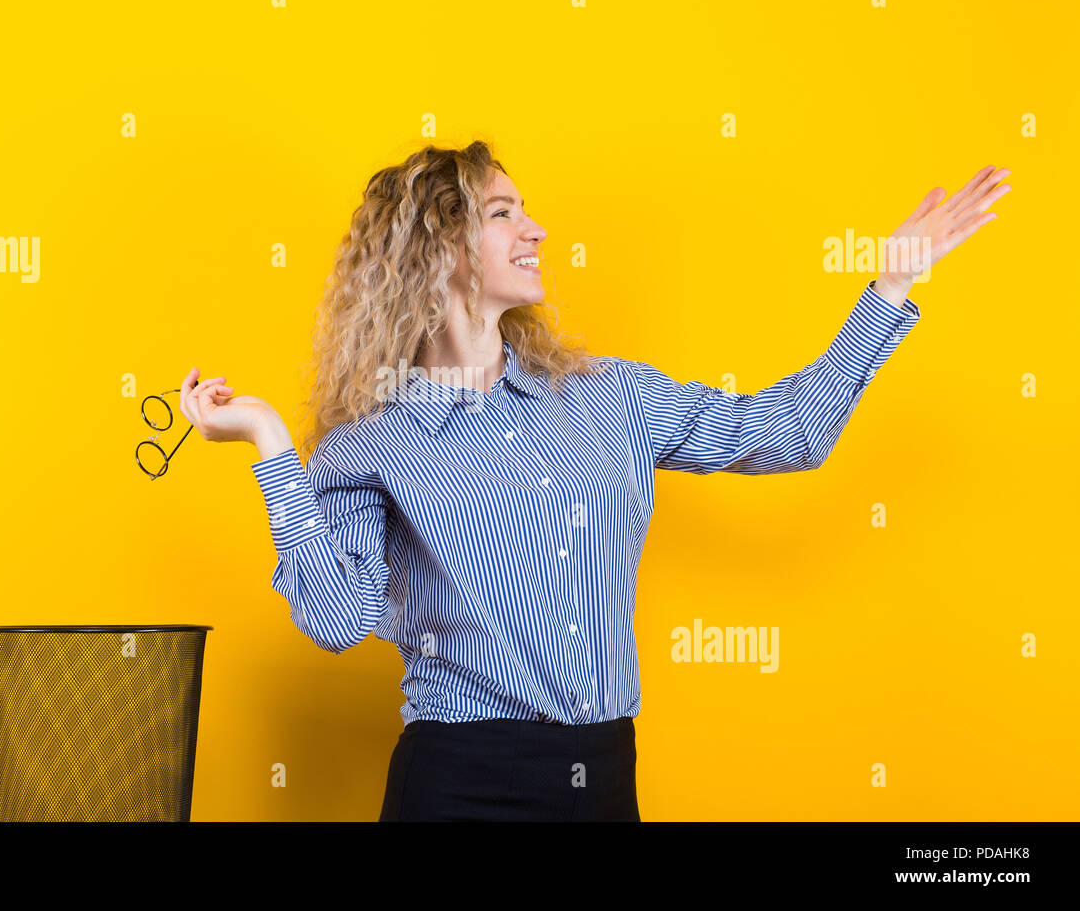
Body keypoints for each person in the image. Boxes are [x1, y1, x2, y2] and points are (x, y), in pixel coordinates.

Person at [177, 141, 1010, 821]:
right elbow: (335, 619)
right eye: (504, 214)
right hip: (458, 783)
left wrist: (892, 284)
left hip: (603, 778)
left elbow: (790, 432)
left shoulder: (611, 396)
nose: (536, 229)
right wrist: (270, 441)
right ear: (437, 253)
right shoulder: (372, 443)